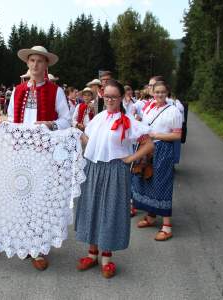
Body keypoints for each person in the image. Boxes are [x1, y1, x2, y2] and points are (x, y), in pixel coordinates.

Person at [75, 80, 154, 278]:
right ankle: (92, 253)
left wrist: (131, 159)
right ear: (102, 96)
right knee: (92, 207)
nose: (110, 99)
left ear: (121, 98)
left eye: (114, 96)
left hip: (116, 170)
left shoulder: (127, 122)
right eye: (107, 96)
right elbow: (89, 140)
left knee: (109, 211)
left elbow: (149, 145)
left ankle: (107, 257)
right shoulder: (98, 118)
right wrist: (75, 134)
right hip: (93, 168)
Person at [7, 45, 71, 270]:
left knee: (41, 201)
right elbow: (11, 121)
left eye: (40, 61)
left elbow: (66, 120)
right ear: (27, 64)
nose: (35, 65)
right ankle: (27, 243)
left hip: (45, 155)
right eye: (32, 60)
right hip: (21, 154)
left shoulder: (56, 91)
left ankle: (40, 248)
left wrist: (51, 124)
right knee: (23, 200)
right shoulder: (18, 90)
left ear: (46, 65)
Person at [132, 80, 182, 241]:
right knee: (147, 180)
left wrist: (155, 135)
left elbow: (177, 135)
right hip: (147, 148)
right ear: (152, 92)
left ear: (167, 93)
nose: (159, 94)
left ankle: (167, 227)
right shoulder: (149, 107)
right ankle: (151, 216)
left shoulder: (173, 111)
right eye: (157, 92)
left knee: (162, 183)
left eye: (162, 92)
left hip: (163, 150)